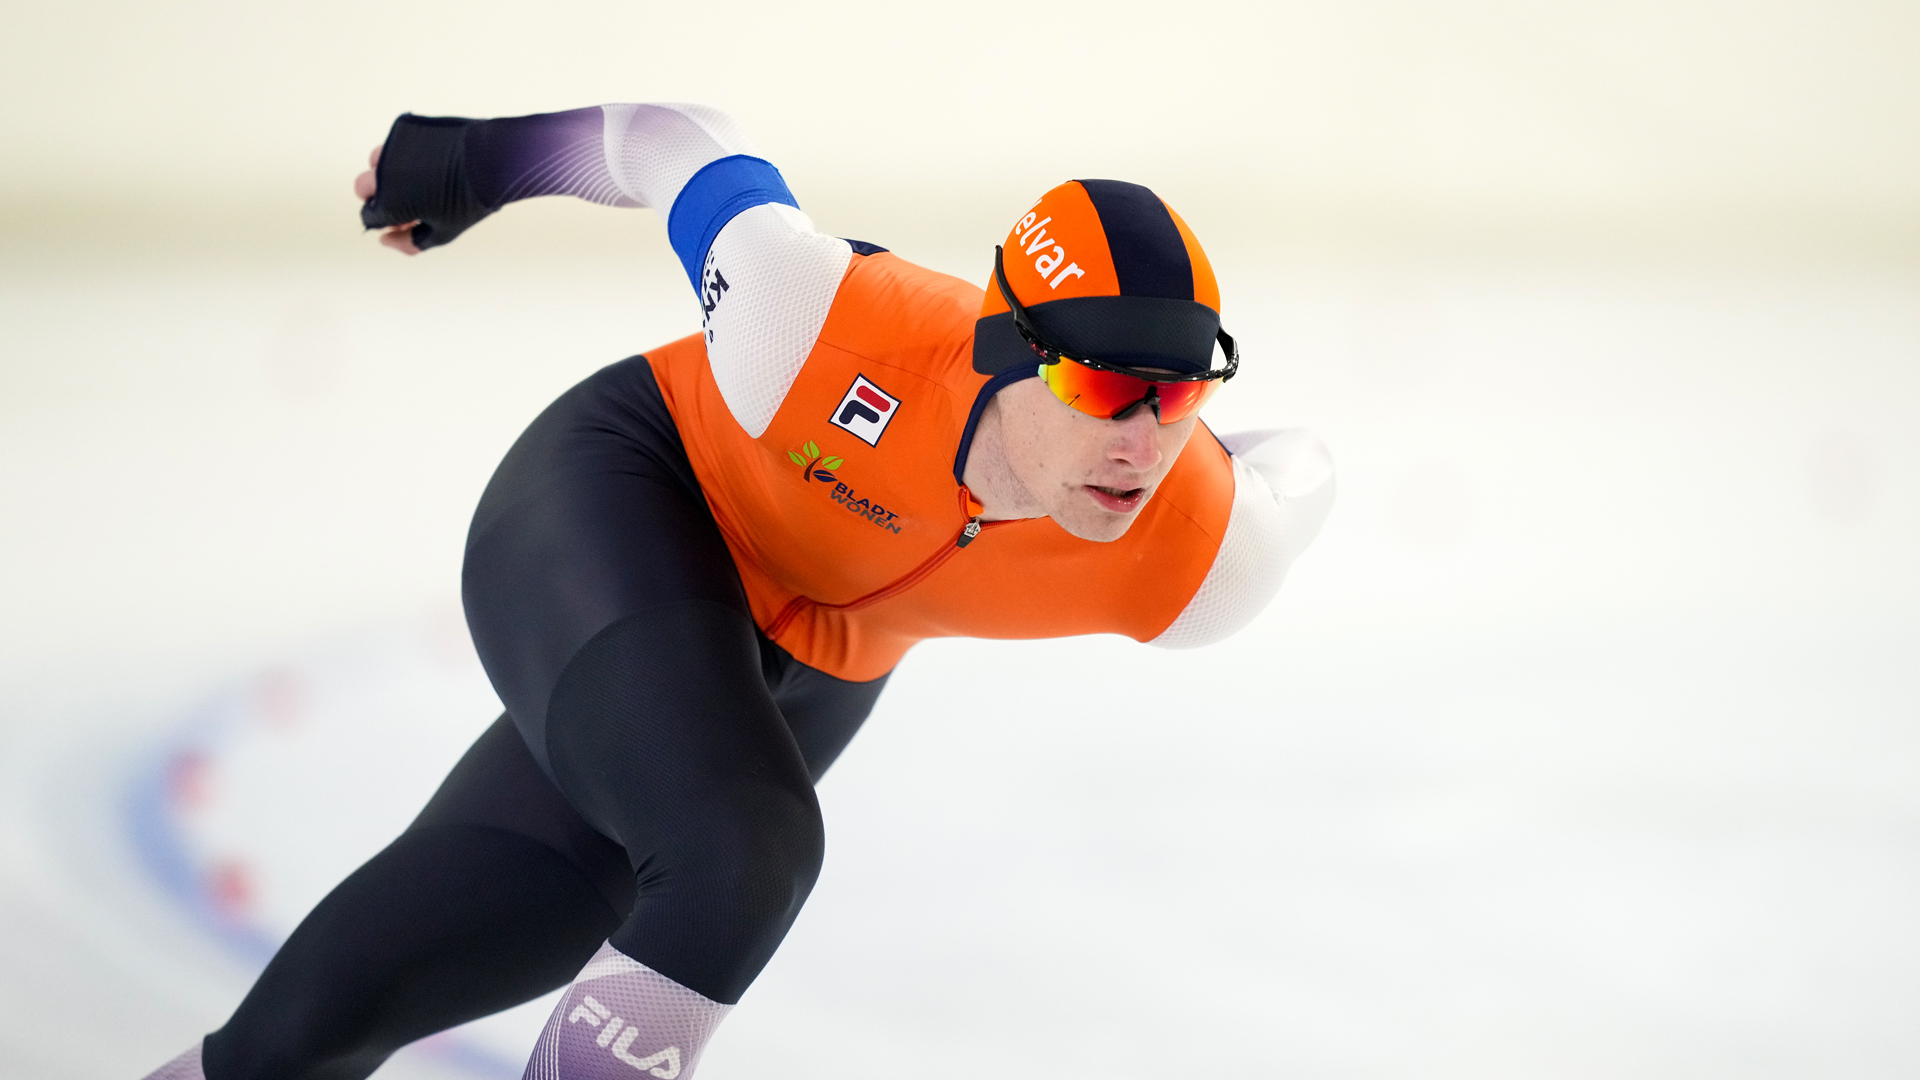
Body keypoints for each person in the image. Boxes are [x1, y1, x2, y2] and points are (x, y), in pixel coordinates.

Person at [141, 103, 1333, 1080]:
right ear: (1004, 345)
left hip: (824, 657)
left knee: (320, 1027)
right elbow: (669, 141)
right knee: (740, 853)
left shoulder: (1200, 556)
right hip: (633, 499)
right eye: (1102, 384)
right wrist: (468, 162)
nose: (1143, 439)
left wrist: (1212, 445)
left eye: (1180, 395)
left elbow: (1303, 476)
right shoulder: (810, 320)